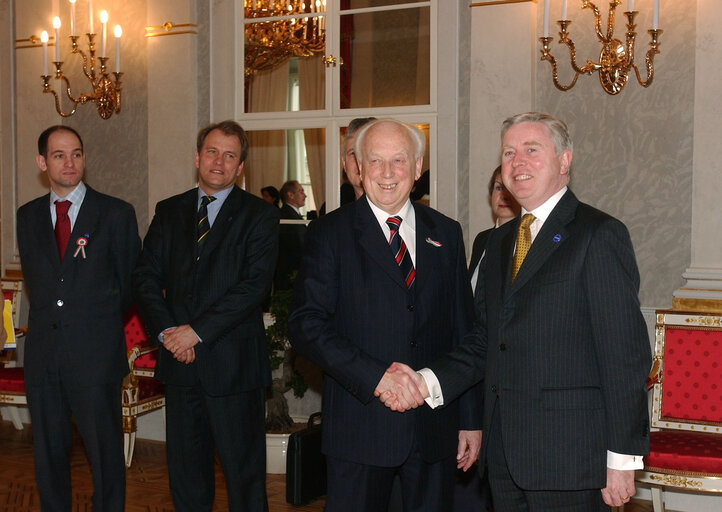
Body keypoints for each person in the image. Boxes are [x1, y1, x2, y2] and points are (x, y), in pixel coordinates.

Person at [380, 112, 652, 511]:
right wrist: (424, 383)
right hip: (505, 456)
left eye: (531, 150)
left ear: (564, 161)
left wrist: (623, 459)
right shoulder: (502, 240)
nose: (517, 162)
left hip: (571, 460)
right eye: (509, 153)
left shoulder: (598, 235)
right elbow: (485, 341)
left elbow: (625, 356)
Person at [288, 119, 480, 512]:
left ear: (418, 166)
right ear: (358, 167)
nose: (388, 173)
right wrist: (378, 377)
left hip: (434, 429)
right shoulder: (330, 233)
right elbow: (305, 325)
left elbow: (467, 334)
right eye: (375, 161)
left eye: (399, 160)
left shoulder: (446, 233)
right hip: (361, 430)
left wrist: (470, 420)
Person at [132, 120, 279, 512]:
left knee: (244, 478)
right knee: (186, 475)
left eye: (230, 155)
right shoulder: (170, 211)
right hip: (180, 366)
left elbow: (253, 287)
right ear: (197, 157)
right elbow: (145, 277)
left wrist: (195, 332)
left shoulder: (259, 216)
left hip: (234, 367)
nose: (220, 161)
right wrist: (167, 333)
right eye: (212, 151)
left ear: (240, 167)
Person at [16, 125, 140, 511]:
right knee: (49, 458)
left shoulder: (116, 213)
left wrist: (93, 323)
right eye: (58, 155)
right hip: (43, 358)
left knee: (105, 457)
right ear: (42, 162)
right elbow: (40, 284)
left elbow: (129, 286)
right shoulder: (28, 216)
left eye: (76, 154)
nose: (69, 163)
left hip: (95, 356)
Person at [468, 165, 521, 294]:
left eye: (510, 188)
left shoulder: (525, 241)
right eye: (499, 188)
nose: (504, 196)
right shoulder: (482, 239)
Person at [275, 180, 307, 291]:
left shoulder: (292, 215)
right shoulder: (286, 217)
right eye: (301, 191)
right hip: (289, 276)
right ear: (290, 195)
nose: (305, 195)